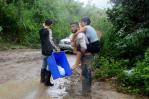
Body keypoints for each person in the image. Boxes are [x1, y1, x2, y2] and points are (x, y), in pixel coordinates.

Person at [70, 22, 93, 96]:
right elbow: (74, 46)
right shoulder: (75, 35)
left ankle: (85, 93)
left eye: (73, 26)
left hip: (86, 56)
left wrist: (80, 57)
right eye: (71, 27)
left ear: (77, 28)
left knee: (85, 73)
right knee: (87, 72)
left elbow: (83, 48)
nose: (71, 28)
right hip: (86, 55)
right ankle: (88, 90)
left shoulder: (80, 35)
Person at [39, 19, 60, 86]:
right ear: (51, 24)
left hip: (43, 50)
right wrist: (56, 48)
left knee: (44, 65)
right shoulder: (49, 30)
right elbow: (50, 41)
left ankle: (42, 79)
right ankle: (47, 82)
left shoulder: (41, 30)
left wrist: (44, 25)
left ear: (44, 23)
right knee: (50, 66)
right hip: (49, 50)